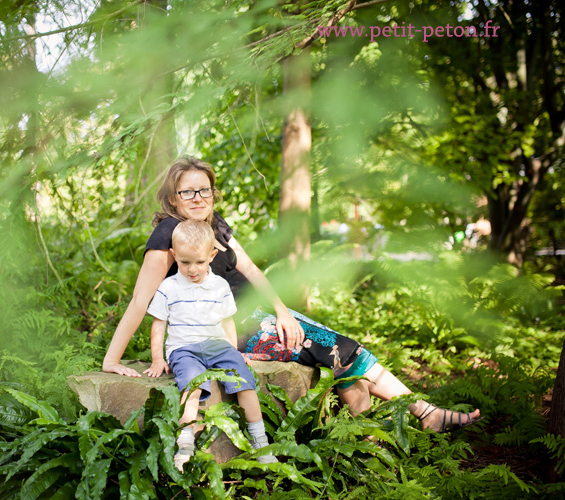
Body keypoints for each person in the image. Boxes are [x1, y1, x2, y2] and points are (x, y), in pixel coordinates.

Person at [102, 156, 483, 434]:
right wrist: (111, 360)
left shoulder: (214, 226)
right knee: (342, 351)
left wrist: (283, 311)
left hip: (261, 313)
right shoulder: (168, 235)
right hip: (233, 327)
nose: (198, 196)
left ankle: (362, 442)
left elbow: (250, 270)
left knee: (344, 358)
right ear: (173, 198)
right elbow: (141, 301)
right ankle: (423, 411)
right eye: (188, 191)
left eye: (205, 189)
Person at [143, 219, 277, 470]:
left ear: (212, 255)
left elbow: (227, 320)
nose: (192, 269)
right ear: (174, 255)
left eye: (200, 262)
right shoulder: (169, 287)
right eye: (184, 262)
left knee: (244, 382)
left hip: (218, 345)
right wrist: (157, 358)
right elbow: (158, 324)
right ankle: (185, 443)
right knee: (193, 386)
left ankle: (260, 441)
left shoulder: (220, 286)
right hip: (184, 349)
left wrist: (234, 349)